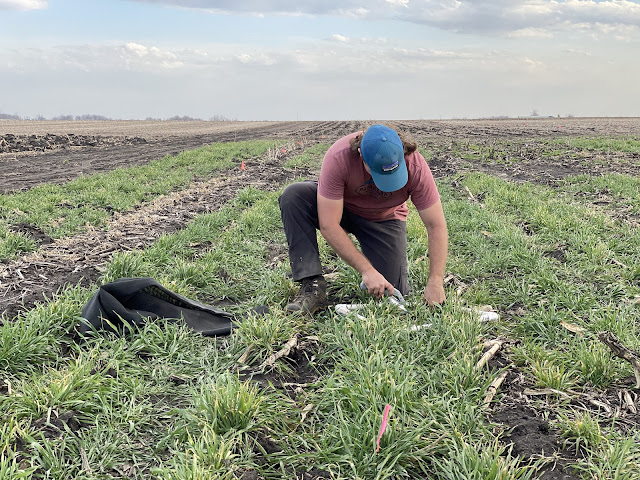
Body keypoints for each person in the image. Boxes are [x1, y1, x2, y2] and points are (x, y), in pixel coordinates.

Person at [278, 124, 448, 314]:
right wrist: (367, 271)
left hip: (384, 219)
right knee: (295, 196)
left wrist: (436, 280)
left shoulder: (415, 166)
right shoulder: (338, 157)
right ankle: (312, 285)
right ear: (360, 155)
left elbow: (436, 225)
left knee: (391, 291)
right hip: (341, 208)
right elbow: (329, 224)